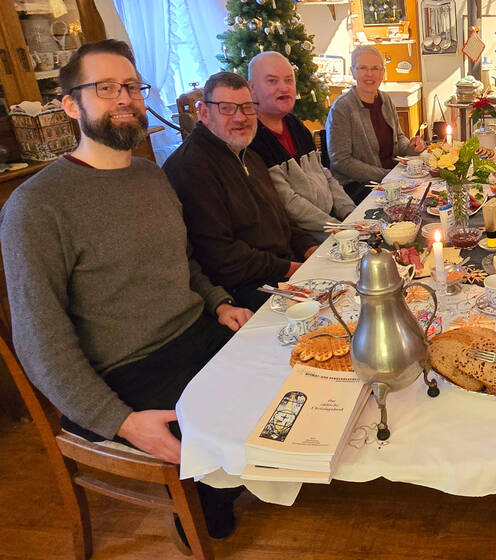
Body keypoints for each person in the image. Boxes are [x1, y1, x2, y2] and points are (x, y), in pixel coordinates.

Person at [0, 39, 252, 541]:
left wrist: (219, 302)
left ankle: (240, 475)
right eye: (106, 87)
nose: (125, 98)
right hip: (126, 372)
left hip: (194, 333)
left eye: (132, 87)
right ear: (71, 104)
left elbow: (181, 261)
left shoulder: (148, 175)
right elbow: (39, 342)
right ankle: (208, 503)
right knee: (216, 513)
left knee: (284, 376)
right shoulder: (35, 207)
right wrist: (120, 421)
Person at [164, 72, 318, 311]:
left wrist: (310, 248)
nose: (240, 117)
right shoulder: (192, 166)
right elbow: (221, 257)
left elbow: (281, 220)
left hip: (283, 268)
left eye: (247, 107)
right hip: (245, 290)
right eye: (227, 108)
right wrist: (292, 269)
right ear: (204, 113)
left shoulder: (249, 154)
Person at [247, 51, 355, 241]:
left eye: (289, 80)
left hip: (334, 226)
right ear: (252, 89)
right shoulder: (253, 139)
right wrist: (340, 229)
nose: (284, 87)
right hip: (305, 240)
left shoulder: (294, 124)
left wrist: (351, 215)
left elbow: (325, 175)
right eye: (272, 81)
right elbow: (288, 203)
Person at [326, 46, 426, 202]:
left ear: (382, 73)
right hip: (359, 186)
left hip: (392, 178)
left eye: (375, 68)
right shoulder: (342, 108)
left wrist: (411, 147)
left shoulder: (385, 100)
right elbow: (340, 160)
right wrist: (385, 175)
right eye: (363, 68)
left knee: (426, 192)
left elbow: (398, 137)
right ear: (353, 71)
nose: (370, 74)